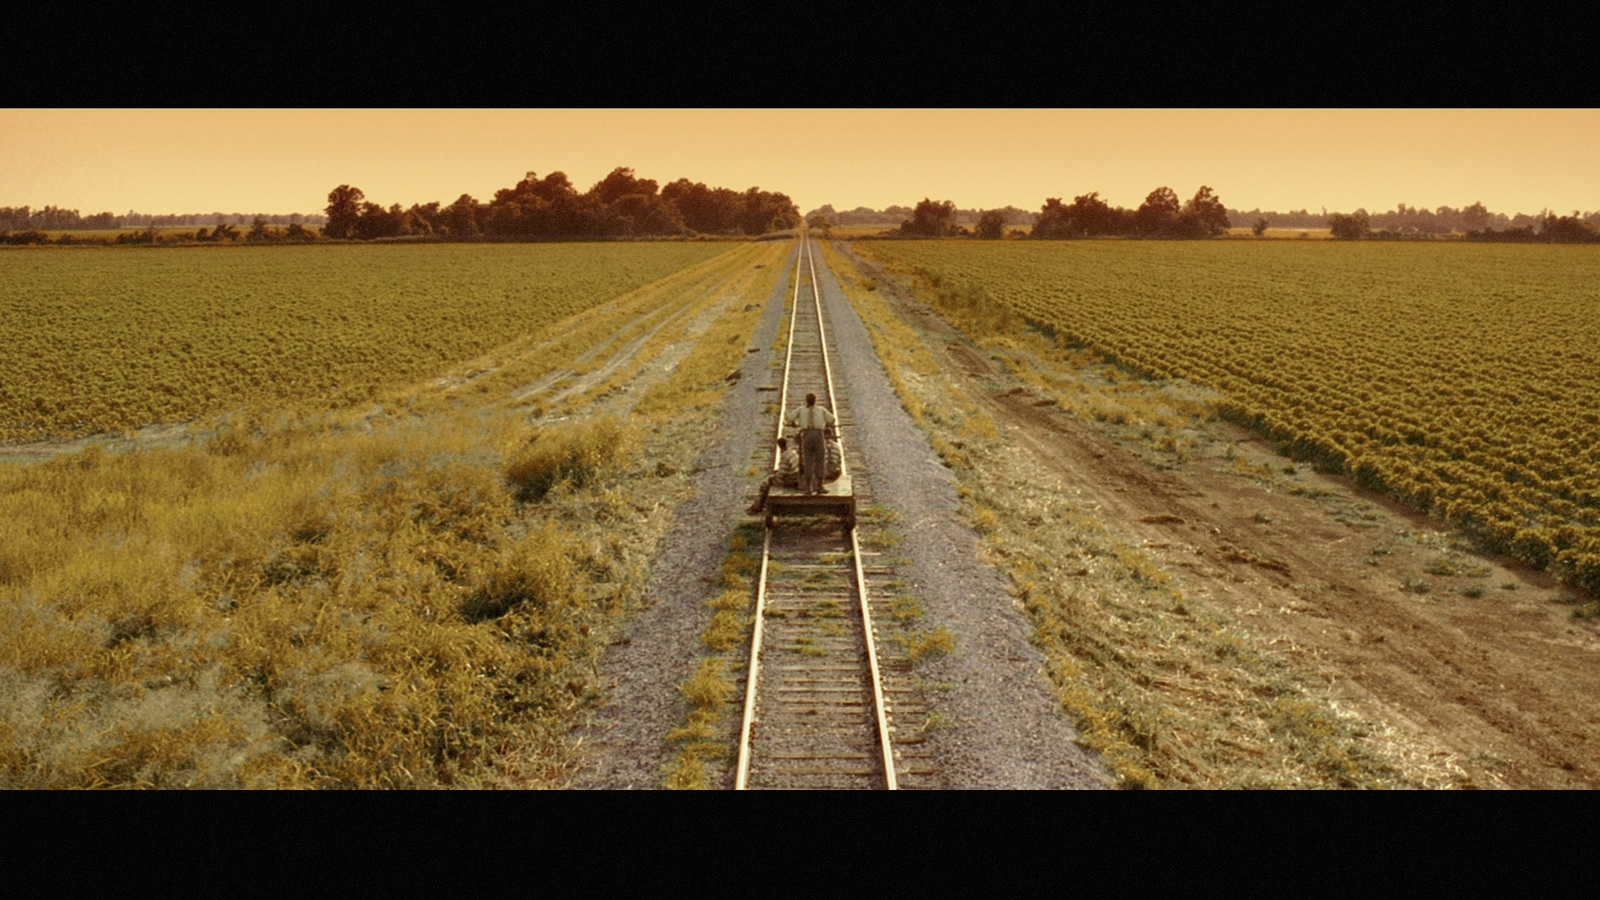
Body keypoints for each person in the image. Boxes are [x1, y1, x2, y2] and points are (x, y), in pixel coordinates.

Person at [788, 392, 835, 494]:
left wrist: (795, 423)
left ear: (806, 401)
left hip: (806, 434)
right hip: (818, 434)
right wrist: (825, 425)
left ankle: (809, 488)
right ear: (815, 401)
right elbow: (832, 419)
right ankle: (820, 486)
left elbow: (789, 417)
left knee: (808, 460)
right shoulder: (821, 410)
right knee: (820, 459)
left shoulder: (801, 410)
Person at [747, 437, 801, 514]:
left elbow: (782, 473)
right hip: (796, 478)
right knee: (770, 480)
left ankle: (757, 507)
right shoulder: (793, 452)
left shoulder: (784, 455)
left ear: (780, 446)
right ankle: (758, 506)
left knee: (765, 483)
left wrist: (774, 477)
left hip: (789, 480)